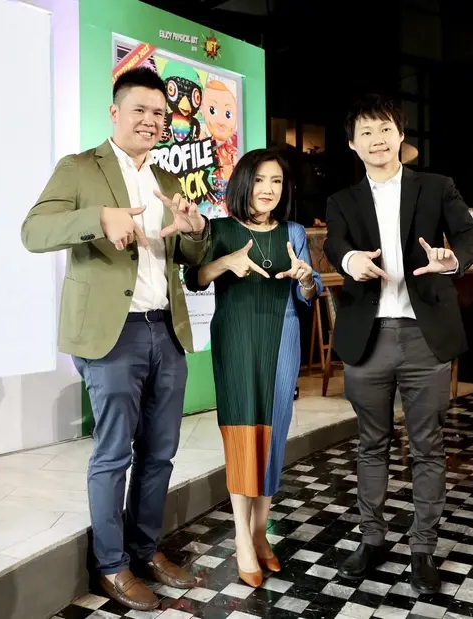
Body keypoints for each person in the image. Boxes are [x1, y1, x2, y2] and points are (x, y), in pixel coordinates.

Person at [20, 67, 210, 612]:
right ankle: (111, 564)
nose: (150, 121)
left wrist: (196, 231)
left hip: (165, 330)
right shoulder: (80, 167)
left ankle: (145, 551)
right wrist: (98, 218)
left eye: (159, 113)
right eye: (139, 110)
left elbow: (188, 258)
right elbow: (33, 231)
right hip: (113, 334)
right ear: (115, 112)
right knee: (113, 454)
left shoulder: (169, 180)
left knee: (161, 452)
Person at [324, 94, 473, 594]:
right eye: (366, 132)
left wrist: (452, 259)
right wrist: (350, 261)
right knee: (371, 444)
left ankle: (422, 549)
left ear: (400, 135)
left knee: (428, 447)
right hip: (367, 338)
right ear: (353, 144)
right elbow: (334, 243)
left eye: (385, 129)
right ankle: (372, 540)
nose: (377, 139)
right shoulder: (342, 201)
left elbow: (471, 235)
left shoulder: (436, 187)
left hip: (424, 337)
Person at [184, 148, 322, 587]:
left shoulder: (293, 231)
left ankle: (261, 532)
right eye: (260, 180)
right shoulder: (221, 229)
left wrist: (306, 279)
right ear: (244, 183)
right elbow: (194, 278)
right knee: (242, 433)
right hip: (236, 339)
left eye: (276, 182)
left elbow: (310, 291)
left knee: (273, 435)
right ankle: (241, 536)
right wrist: (226, 262)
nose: (268, 189)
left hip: (282, 339)